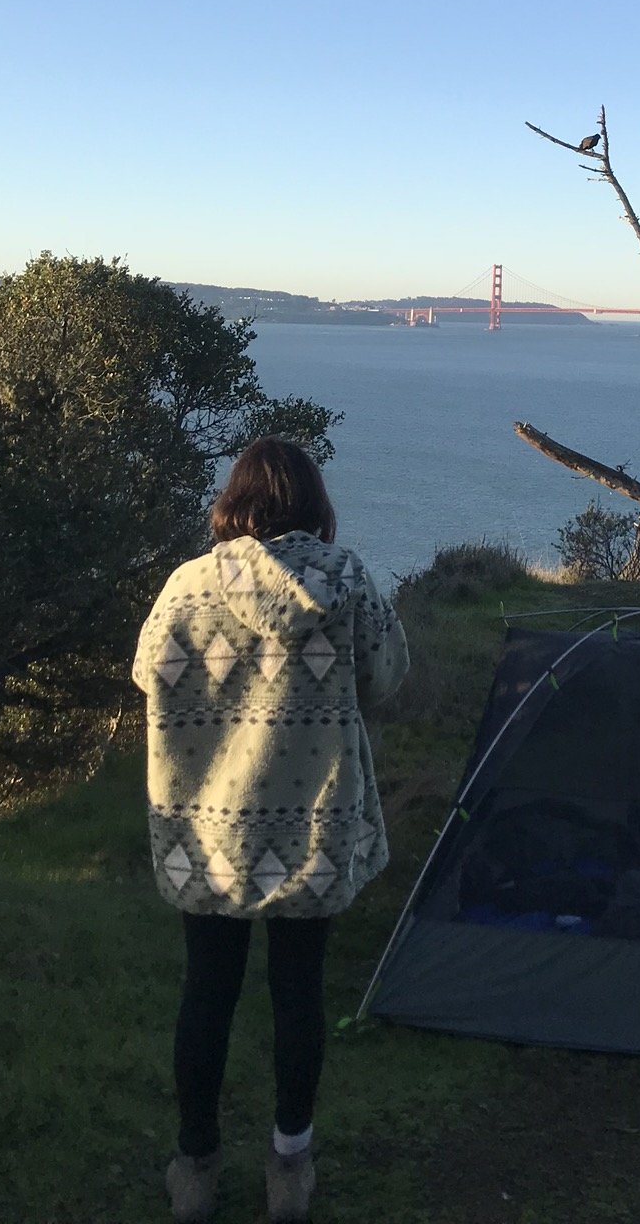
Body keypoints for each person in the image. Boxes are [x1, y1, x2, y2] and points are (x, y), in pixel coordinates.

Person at [132, 435, 409, 1224]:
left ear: (235, 501)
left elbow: (146, 671)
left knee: (206, 994)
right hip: (311, 829)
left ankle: (194, 1166)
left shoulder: (185, 587)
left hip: (207, 833)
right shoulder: (348, 580)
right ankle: (290, 1167)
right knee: (299, 995)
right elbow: (389, 676)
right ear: (312, 503)